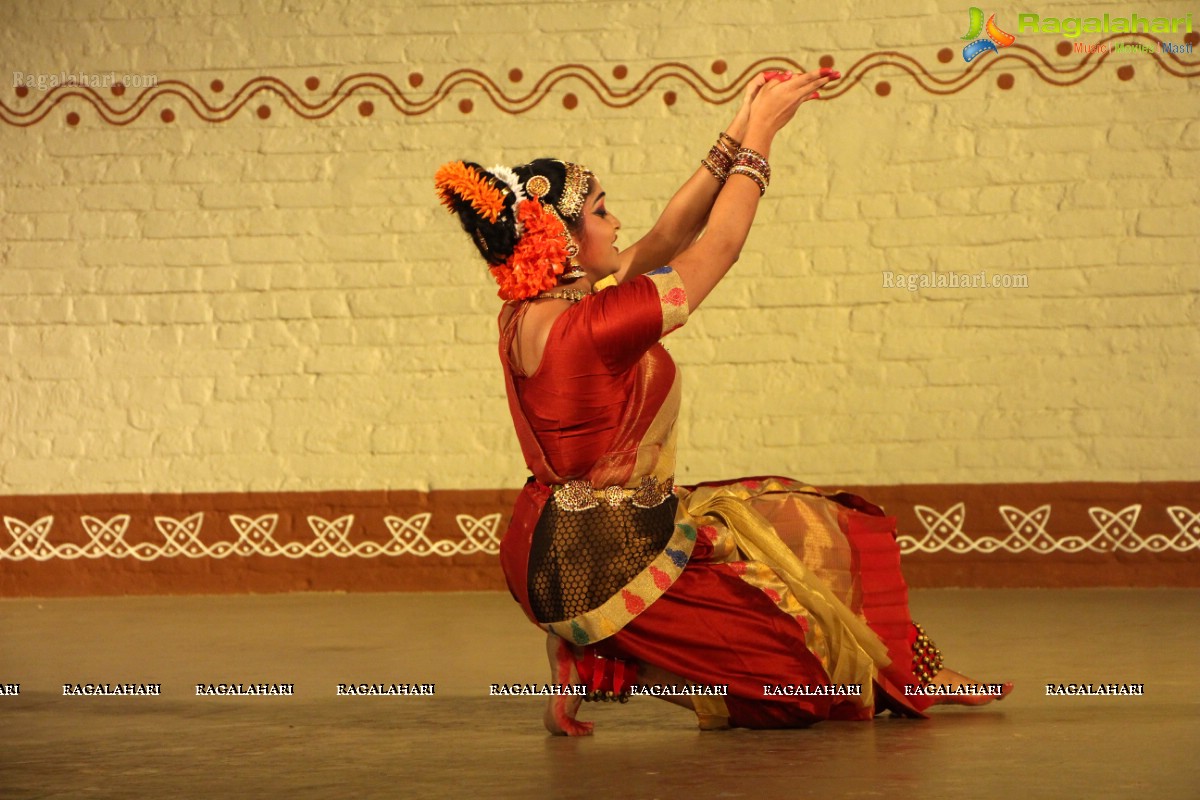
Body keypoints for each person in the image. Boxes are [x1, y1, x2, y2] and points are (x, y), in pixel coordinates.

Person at [434, 67, 1010, 735]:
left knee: (810, 522)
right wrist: (763, 139)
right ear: (562, 243)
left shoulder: (536, 310)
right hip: (606, 559)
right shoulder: (594, 329)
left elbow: (669, 237)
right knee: (796, 692)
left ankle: (915, 670)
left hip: (562, 537)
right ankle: (596, 658)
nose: (617, 219)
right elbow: (720, 247)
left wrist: (738, 128)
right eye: (599, 211)